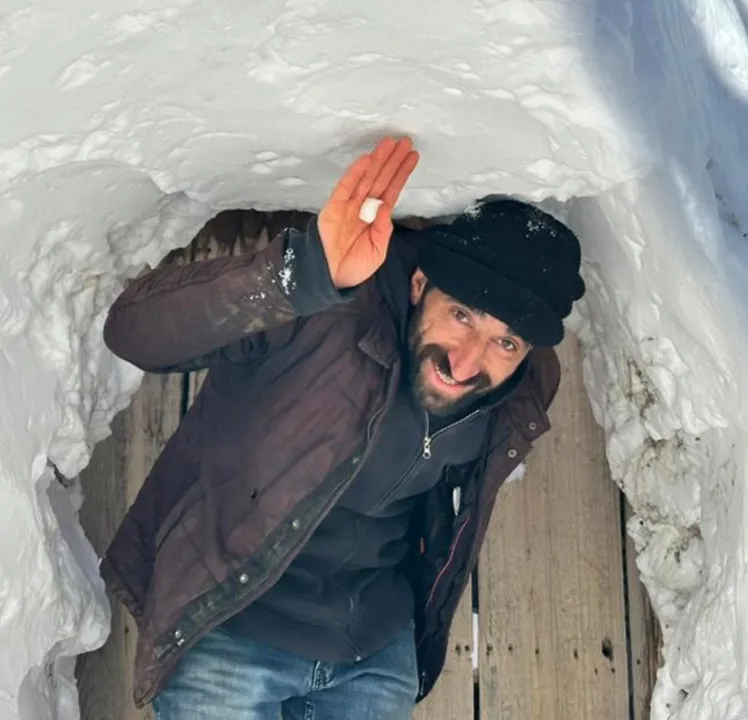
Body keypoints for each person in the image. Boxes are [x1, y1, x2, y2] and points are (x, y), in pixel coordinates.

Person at [99, 136, 586, 719]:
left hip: (373, 657)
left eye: (504, 341)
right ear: (418, 285)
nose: (467, 360)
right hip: (233, 631)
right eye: (461, 316)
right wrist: (302, 273)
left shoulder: (516, 391)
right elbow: (133, 333)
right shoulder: (328, 310)